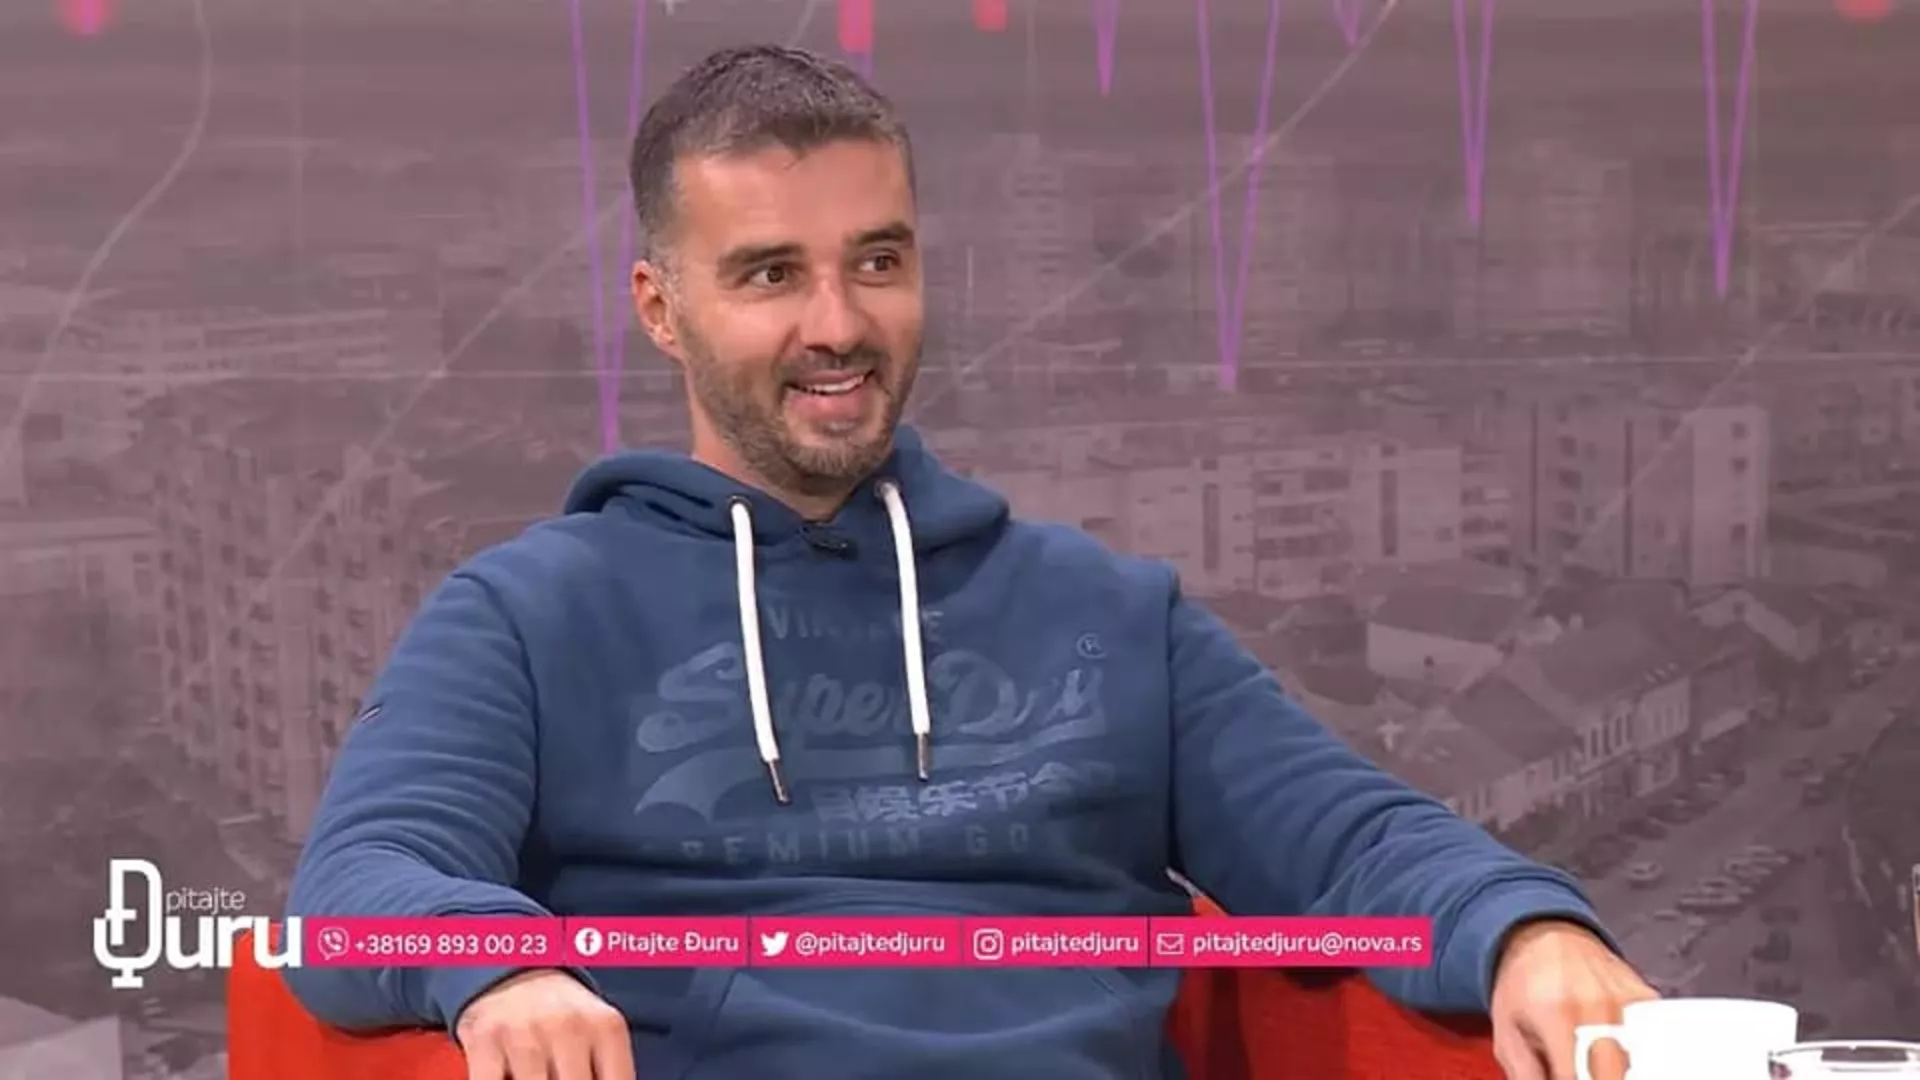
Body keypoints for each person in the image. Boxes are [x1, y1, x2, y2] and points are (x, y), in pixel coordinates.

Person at [286, 43, 1655, 1080]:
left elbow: (1355, 840)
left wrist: (1528, 931)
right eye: (770, 274)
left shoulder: (1106, 612)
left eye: (877, 262)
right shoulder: (527, 616)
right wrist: (500, 968)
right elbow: (358, 892)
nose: (839, 324)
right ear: (661, 307)